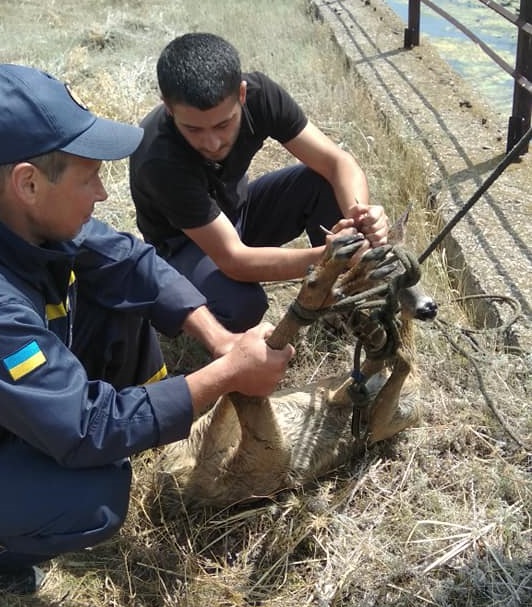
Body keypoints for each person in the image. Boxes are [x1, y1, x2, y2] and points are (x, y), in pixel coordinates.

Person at [0, 63, 296, 595]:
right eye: (88, 176)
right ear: (27, 182)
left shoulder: (26, 222)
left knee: (124, 290)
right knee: (91, 496)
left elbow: (129, 259)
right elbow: (87, 429)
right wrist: (228, 374)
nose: (102, 195)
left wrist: (220, 340)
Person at [129, 32, 389, 333]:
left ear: (241, 94)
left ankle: (341, 302)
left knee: (321, 182)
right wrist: (328, 258)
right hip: (183, 246)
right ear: (168, 107)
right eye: (194, 129)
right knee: (242, 307)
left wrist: (359, 217)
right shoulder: (158, 159)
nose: (212, 142)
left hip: (238, 211)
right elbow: (234, 260)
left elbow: (337, 163)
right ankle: (178, 301)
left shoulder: (260, 96)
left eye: (223, 124)